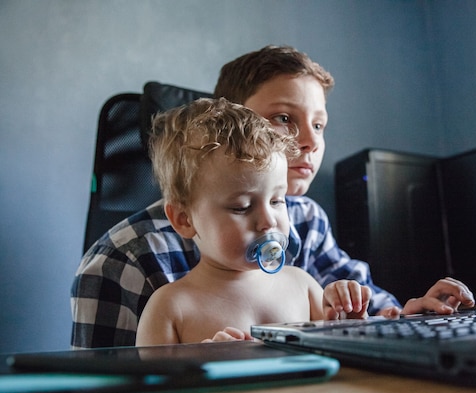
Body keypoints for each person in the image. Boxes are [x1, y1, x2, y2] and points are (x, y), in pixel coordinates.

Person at [72, 45, 474, 349]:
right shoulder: (123, 262)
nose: (310, 142)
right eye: (284, 119)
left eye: (319, 125)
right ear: (232, 121)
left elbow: (358, 316)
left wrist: (406, 315)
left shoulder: (305, 223)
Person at [135, 98, 372, 345]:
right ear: (184, 219)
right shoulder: (170, 309)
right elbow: (153, 384)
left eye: (277, 201)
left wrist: (348, 323)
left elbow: (344, 364)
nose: (268, 221)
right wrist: (202, 365)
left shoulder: (303, 286)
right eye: (242, 207)